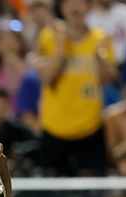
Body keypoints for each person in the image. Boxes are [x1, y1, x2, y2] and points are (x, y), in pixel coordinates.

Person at [35, 0, 117, 176]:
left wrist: (99, 60)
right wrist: (59, 48)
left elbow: (108, 80)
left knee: (91, 190)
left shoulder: (101, 39)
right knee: (50, 192)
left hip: (90, 125)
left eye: (80, 2)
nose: (74, 7)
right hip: (54, 124)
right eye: (69, 3)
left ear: (88, 7)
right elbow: (46, 78)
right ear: (62, 7)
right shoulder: (49, 36)